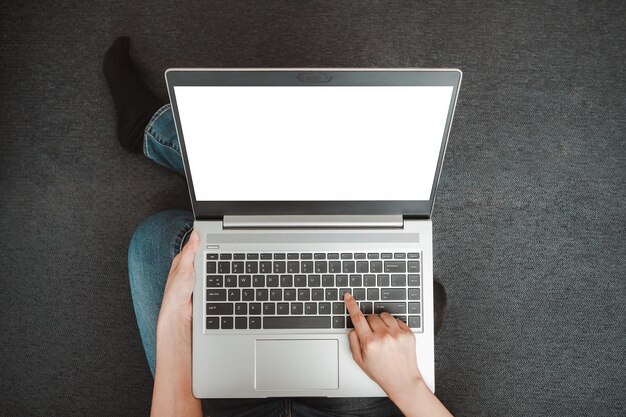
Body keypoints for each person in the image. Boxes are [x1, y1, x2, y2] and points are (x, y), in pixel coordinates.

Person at [104, 37, 452, 417]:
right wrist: (410, 387)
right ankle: (158, 132)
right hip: (361, 398)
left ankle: (156, 131)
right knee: (420, 292)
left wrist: (174, 323)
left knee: (157, 240)